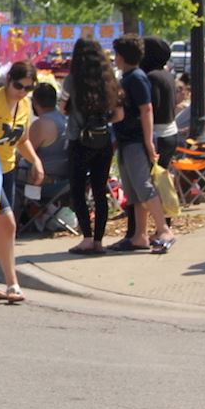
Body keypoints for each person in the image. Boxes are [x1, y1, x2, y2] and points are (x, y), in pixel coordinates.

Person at [0, 60, 44, 301]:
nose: (22, 92)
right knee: (9, 224)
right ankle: (13, 282)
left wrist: (35, 161)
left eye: (28, 88)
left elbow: (22, 140)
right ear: (9, 80)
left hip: (7, 170)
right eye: (18, 86)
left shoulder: (24, 105)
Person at [109, 34, 176, 253]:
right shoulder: (130, 77)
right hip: (127, 139)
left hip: (136, 139)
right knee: (134, 191)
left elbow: (146, 109)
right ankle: (140, 234)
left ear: (122, 56)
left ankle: (164, 229)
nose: (115, 58)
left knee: (144, 187)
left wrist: (148, 142)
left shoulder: (137, 78)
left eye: (116, 54)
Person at [60, 39, 122, 254]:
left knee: (78, 190)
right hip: (103, 141)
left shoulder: (72, 81)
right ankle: (98, 241)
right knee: (99, 190)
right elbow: (119, 114)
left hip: (79, 140)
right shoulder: (110, 80)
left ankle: (86, 237)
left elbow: (63, 107)